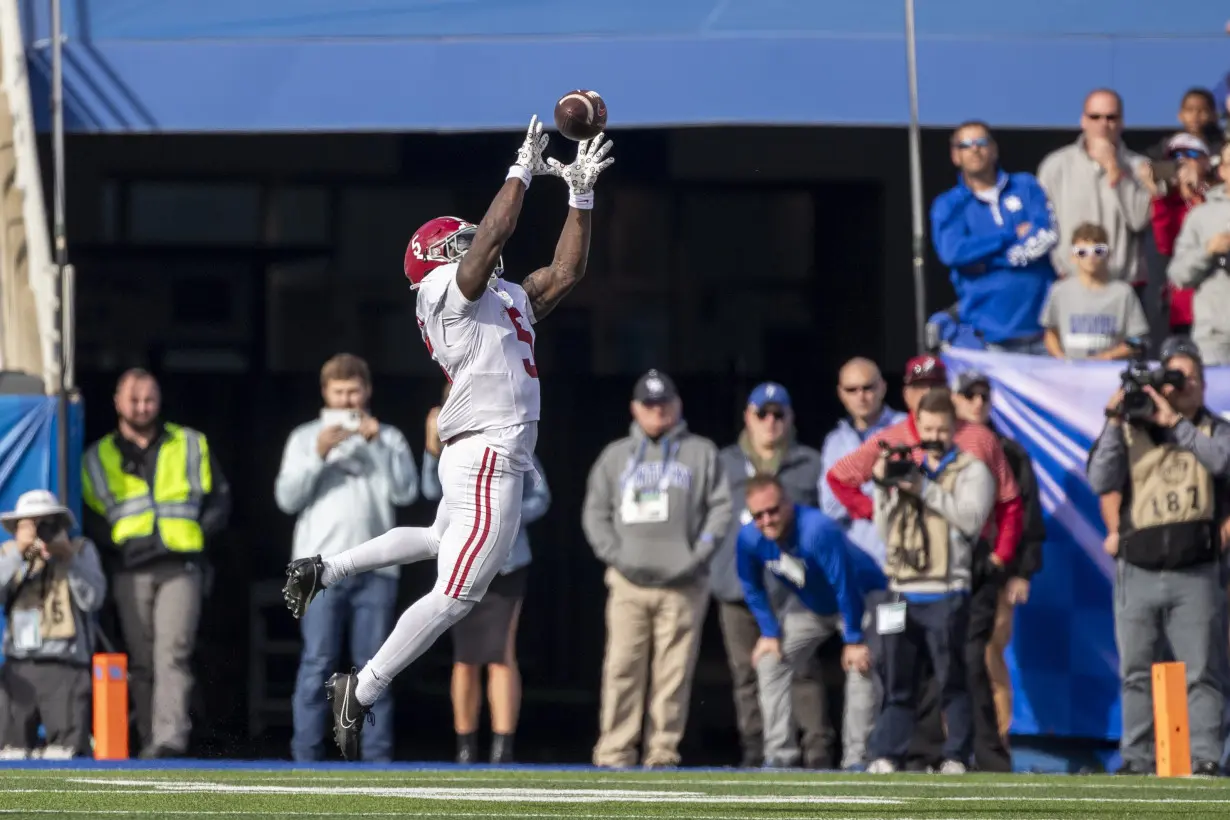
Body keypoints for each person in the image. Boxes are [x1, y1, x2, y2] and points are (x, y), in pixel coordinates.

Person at [281, 119, 615, 759]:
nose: (474, 246)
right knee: (459, 593)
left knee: (440, 541)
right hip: (490, 447)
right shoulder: (442, 291)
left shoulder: (502, 297)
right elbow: (492, 236)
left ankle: (326, 566)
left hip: (481, 449)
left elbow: (566, 272)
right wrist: (522, 166)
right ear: (437, 257)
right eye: (457, 242)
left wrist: (579, 195)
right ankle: (365, 686)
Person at [1087, 336, 1229, 776]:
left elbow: (1223, 462)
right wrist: (1113, 419)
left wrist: (1177, 424)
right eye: (1172, 378)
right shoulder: (1131, 428)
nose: (1180, 385)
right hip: (1138, 569)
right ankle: (1137, 758)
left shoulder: (1213, 427)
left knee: (1202, 671)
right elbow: (1099, 478)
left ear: (1203, 384)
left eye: (1188, 378)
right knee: (1135, 671)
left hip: (1196, 569)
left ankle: (1206, 757)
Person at [275, 353, 419, 763]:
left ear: (367, 391)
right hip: (318, 570)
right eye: (338, 393)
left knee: (376, 666)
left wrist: (377, 447)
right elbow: (286, 499)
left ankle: (376, 758)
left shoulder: (387, 437)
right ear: (325, 394)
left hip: (376, 569)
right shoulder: (305, 438)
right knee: (316, 659)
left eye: (353, 391)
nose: (347, 401)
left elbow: (406, 494)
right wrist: (318, 455)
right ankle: (305, 756)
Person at [81, 369, 231, 759]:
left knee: (173, 653)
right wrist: (115, 547)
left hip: (180, 565)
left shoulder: (190, 443)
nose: (142, 407)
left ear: (160, 400)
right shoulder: (97, 456)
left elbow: (220, 500)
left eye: (149, 399)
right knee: (142, 660)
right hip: (129, 569)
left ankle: (169, 740)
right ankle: (149, 739)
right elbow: (89, 515)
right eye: (134, 400)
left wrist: (198, 535)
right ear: (117, 402)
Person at [865, 390, 998, 775]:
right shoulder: (907, 464)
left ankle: (957, 754)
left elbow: (971, 520)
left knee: (951, 679)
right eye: (927, 428)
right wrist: (883, 484)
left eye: (942, 429)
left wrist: (924, 488)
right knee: (895, 679)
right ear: (916, 426)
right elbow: (883, 528)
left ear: (954, 429)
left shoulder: (973, 470)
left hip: (945, 591)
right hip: (900, 591)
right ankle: (887, 753)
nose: (934, 435)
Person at [422, 382, 552, 764]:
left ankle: (502, 748)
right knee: (464, 656)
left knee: (500, 653)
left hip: (507, 561)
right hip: (463, 560)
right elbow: (430, 491)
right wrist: (432, 448)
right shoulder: (449, 448)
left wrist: (501, 519)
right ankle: (465, 747)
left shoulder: (511, 437)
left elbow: (541, 496)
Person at [711, 382, 827, 769]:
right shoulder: (724, 462)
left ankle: (816, 750)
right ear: (748, 416)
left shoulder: (809, 463)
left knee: (803, 670)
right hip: (738, 586)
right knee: (747, 674)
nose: (771, 422)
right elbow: (705, 516)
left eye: (779, 414)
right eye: (763, 413)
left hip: (792, 589)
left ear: (791, 418)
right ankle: (756, 749)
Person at [736, 474, 884, 770]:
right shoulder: (749, 537)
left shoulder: (818, 530)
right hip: (812, 603)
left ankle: (859, 758)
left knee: (862, 665)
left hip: (867, 595)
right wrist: (769, 631)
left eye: (773, 510)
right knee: (770, 661)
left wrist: (853, 640)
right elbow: (751, 585)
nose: (767, 520)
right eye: (758, 515)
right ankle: (780, 754)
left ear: (788, 504)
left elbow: (846, 585)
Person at [0, 491, 106, 759]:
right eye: (30, 524)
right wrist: (19, 555)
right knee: (10, 753)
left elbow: (93, 599)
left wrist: (68, 558)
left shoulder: (80, 550)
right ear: (17, 528)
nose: (40, 530)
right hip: (18, 669)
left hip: (66, 666)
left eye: (47, 523)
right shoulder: (8, 555)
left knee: (64, 754)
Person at [1040, 222, 1150, 360]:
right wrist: (1061, 358)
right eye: (1082, 252)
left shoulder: (1123, 293)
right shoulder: (1060, 291)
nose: (1090, 257)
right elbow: (1050, 333)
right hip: (1069, 374)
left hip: (1109, 374)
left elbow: (1137, 340)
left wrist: (1106, 357)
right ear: (1073, 256)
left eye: (1098, 251)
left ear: (1108, 254)